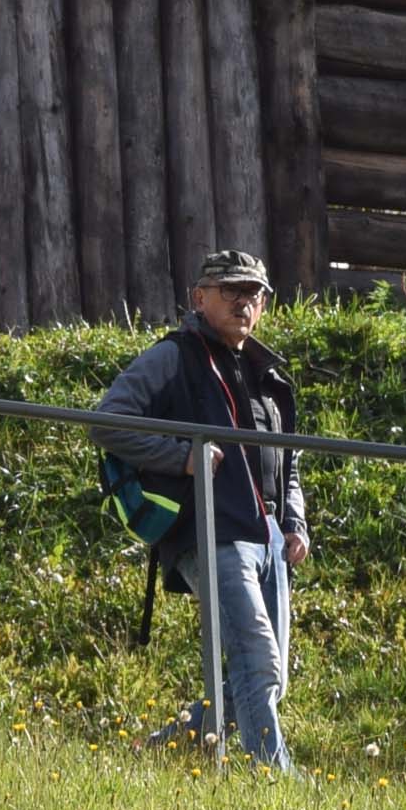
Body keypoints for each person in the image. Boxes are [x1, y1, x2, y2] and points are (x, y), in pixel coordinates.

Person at [92, 248, 308, 770]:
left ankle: (158, 750)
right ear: (199, 298)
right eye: (231, 290)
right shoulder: (173, 357)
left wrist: (294, 521)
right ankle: (273, 783)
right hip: (210, 533)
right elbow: (108, 422)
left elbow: (290, 461)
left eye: (254, 292)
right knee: (258, 664)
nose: (244, 301)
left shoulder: (269, 374)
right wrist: (182, 458)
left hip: (269, 542)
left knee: (261, 679)